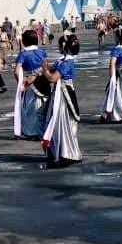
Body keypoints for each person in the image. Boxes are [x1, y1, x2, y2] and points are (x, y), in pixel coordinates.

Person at [41, 34, 82, 169]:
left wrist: (45, 69)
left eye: (59, 45)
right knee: (59, 123)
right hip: (59, 93)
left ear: (64, 46)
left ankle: (66, 152)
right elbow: (51, 70)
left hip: (63, 95)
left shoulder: (66, 62)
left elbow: (52, 78)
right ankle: (60, 151)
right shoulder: (63, 60)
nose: (58, 47)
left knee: (62, 123)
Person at [13, 29, 49, 139]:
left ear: (23, 40)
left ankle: (31, 132)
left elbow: (16, 71)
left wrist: (21, 83)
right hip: (42, 80)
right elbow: (45, 67)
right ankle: (44, 131)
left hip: (28, 82)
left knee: (29, 108)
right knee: (42, 106)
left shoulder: (22, 54)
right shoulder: (41, 52)